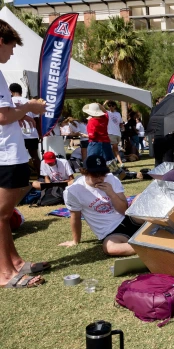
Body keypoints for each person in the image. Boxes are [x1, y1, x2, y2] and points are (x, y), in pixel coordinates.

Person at [0, 20, 49, 288]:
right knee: (1, 215)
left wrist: (20, 112)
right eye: (10, 47)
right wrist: (29, 105)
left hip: (8, 153)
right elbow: (2, 116)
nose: (12, 53)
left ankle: (15, 263)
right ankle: (5, 273)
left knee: (4, 215)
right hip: (4, 155)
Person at [60, 155, 142, 256]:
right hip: (111, 232)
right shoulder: (73, 191)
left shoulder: (111, 178)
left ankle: (160, 229)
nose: (100, 178)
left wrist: (111, 193)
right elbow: (75, 217)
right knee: (110, 248)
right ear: (85, 172)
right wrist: (75, 240)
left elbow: (124, 210)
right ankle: (149, 246)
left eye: (102, 174)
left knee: (141, 197)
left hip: (129, 219)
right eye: (95, 174)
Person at [9, 83, 40, 174]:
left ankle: (20, 178)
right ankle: (40, 175)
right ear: (21, 91)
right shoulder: (29, 102)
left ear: (10, 91)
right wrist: (40, 134)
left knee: (16, 158)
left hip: (16, 134)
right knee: (35, 156)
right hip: (32, 134)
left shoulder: (9, 102)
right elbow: (37, 119)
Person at [104, 101, 123, 166]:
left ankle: (114, 161)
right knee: (115, 149)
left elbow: (120, 123)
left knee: (114, 149)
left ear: (115, 106)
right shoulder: (107, 112)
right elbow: (100, 108)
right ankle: (120, 163)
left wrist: (122, 127)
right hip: (111, 133)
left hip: (118, 134)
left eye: (112, 105)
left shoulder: (118, 114)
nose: (111, 107)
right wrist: (105, 102)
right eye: (109, 106)